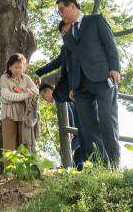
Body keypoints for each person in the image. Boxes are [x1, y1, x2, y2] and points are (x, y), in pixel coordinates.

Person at [56, 0, 121, 167]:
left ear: (73, 6)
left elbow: (110, 44)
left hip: (102, 78)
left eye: (62, 9)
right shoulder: (67, 34)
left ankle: (114, 165)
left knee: (107, 119)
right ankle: (99, 167)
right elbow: (69, 61)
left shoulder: (95, 21)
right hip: (79, 85)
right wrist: (71, 86)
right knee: (87, 127)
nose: (60, 14)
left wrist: (115, 68)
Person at [34, 20, 87, 168]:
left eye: (67, 31)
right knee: (75, 138)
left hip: (84, 92)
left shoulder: (86, 43)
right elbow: (57, 64)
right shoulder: (66, 49)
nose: (66, 35)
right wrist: (39, 73)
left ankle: (75, 161)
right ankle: (77, 164)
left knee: (81, 133)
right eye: (63, 33)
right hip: (72, 95)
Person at [39, 82, 86, 168]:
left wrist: (70, 130)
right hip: (80, 130)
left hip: (79, 132)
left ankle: (66, 170)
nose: (44, 99)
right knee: (78, 162)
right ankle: (77, 176)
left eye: (43, 96)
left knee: (64, 151)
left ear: (48, 91)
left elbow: (69, 113)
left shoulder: (59, 97)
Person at [0, 53, 40, 153]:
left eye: (21, 67)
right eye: (16, 67)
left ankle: (25, 168)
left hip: (24, 115)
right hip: (8, 114)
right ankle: (9, 169)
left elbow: (35, 91)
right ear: (10, 67)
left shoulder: (26, 78)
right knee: (9, 147)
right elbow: (6, 95)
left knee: (25, 146)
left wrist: (20, 93)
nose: (19, 70)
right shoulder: (4, 78)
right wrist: (25, 94)